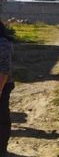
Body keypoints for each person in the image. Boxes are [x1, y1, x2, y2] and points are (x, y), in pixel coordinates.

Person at [0, 21, 14, 156]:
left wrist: (0, 89)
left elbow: (4, 69)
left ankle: (2, 149)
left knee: (2, 117)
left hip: (3, 85)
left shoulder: (3, 43)